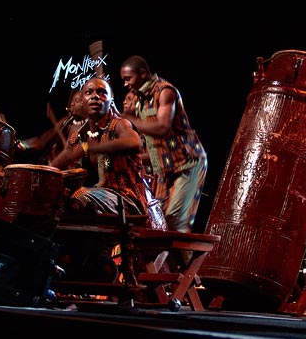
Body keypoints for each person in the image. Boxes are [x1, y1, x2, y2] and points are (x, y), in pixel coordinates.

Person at [119, 55, 208, 235]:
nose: (125, 84)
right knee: (156, 222)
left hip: (187, 164)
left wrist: (130, 118)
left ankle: (189, 262)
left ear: (143, 73)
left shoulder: (165, 91)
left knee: (173, 222)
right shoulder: (139, 99)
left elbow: (162, 127)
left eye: (128, 79)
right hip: (164, 170)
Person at [49, 77, 148, 218]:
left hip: (126, 199)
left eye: (102, 92)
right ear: (82, 101)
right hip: (98, 195)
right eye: (89, 92)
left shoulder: (120, 125)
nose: (95, 96)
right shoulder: (79, 135)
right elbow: (63, 157)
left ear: (110, 101)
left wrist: (91, 147)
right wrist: (42, 174)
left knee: (79, 196)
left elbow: (134, 143)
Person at [16, 88, 88, 170]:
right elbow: (41, 141)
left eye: (77, 100)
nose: (72, 104)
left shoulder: (89, 128)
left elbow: (72, 155)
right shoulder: (66, 121)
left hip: (68, 174)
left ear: (86, 103)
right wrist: (21, 144)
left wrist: (49, 169)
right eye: (72, 101)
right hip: (50, 170)